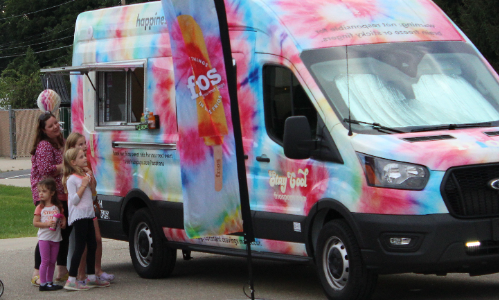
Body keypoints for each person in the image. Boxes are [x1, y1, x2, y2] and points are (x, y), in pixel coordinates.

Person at [65, 132, 115, 283]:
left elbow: (92, 190)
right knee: (82, 245)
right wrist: (84, 185)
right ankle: (79, 275)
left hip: (90, 209)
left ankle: (95, 272)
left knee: (95, 240)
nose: (84, 147)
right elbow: (74, 197)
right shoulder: (71, 175)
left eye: (84, 143)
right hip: (80, 212)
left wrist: (91, 180)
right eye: (80, 145)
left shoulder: (85, 165)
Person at [30, 111, 70, 286]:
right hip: (47, 196)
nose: (55, 127)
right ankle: (37, 273)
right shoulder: (44, 145)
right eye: (51, 125)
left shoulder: (61, 141)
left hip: (61, 193)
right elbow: (46, 169)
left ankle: (61, 270)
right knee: (47, 234)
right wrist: (66, 166)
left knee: (62, 232)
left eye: (56, 123)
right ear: (43, 130)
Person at [33, 177, 66, 292]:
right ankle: (43, 283)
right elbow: (35, 223)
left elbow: (62, 217)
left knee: (52, 261)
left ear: (52, 193)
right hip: (44, 238)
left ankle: (49, 282)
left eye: (44, 191)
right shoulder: (40, 207)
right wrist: (47, 224)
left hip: (55, 238)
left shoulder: (58, 207)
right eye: (39, 191)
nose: (41, 194)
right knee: (45, 261)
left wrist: (63, 222)